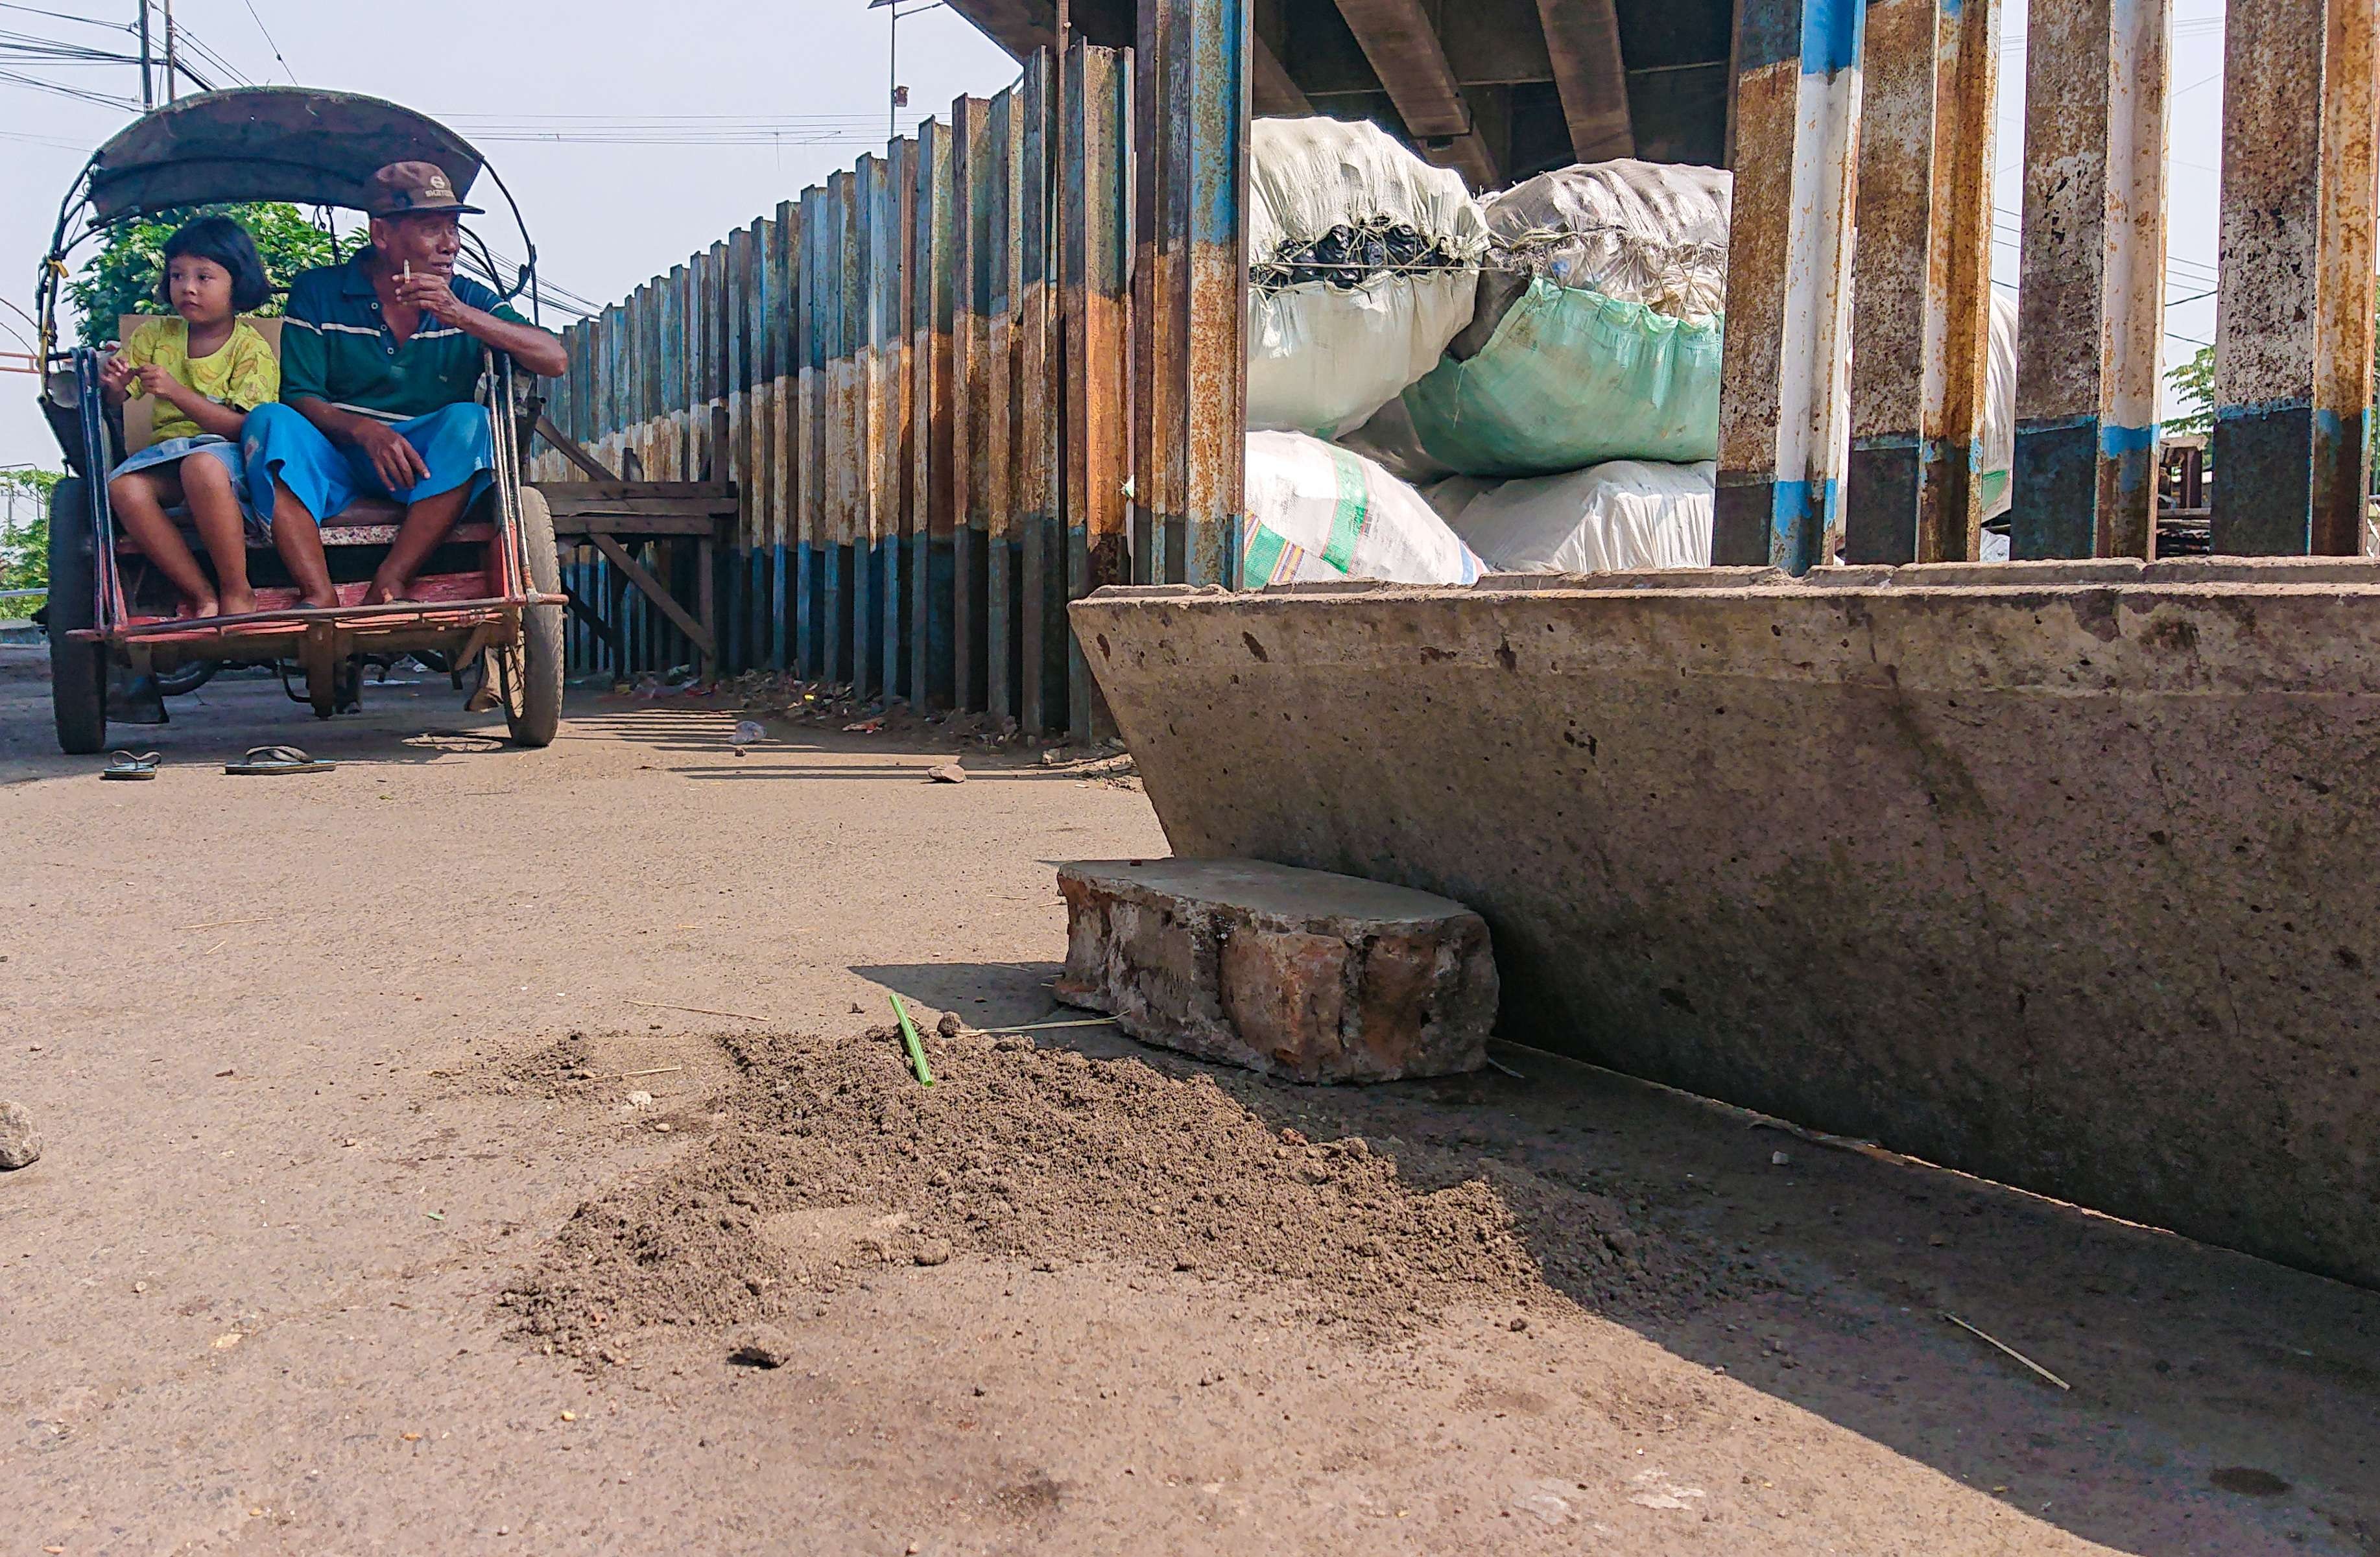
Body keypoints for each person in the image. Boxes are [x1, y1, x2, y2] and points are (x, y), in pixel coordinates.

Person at [241, 161, 567, 607]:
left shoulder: (468, 297)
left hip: (424, 472)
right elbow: (300, 396)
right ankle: (318, 594)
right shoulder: (318, 292)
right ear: (381, 235)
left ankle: (390, 582)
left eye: (453, 229)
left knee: (473, 420)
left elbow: (554, 358)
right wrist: (365, 432)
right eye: (432, 228)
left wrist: (461, 316)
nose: (450, 244)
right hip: (335, 458)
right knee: (269, 420)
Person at [101, 214, 281, 618]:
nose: (188, 288)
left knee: (201, 466)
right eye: (178, 276)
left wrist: (175, 392)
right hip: (167, 457)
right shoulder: (152, 335)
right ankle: (201, 595)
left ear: (238, 283)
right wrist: (113, 383)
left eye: (204, 277)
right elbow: (116, 400)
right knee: (125, 490)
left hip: (230, 462)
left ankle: (238, 590)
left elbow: (243, 427)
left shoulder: (249, 347)